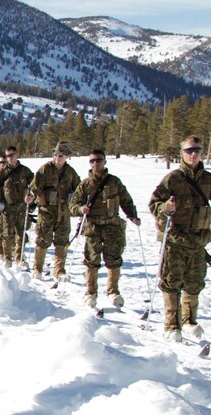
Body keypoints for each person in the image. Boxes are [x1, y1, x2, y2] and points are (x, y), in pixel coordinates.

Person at [148, 135, 211, 341]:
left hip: (198, 241)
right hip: (174, 240)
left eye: (197, 150)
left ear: (202, 153)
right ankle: (172, 325)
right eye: (189, 150)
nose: (193, 154)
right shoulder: (173, 179)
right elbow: (154, 203)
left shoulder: (208, 180)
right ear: (181, 153)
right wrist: (166, 208)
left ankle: (190, 321)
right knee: (171, 282)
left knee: (194, 283)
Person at [69, 149, 140, 308]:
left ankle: (113, 291)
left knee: (114, 260)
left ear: (104, 161)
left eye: (99, 160)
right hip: (93, 227)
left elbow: (126, 200)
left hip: (112, 226)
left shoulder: (114, 182)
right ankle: (91, 292)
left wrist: (132, 215)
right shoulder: (85, 185)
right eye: (92, 161)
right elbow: (72, 205)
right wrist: (81, 210)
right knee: (92, 260)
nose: (96, 163)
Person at [29, 140, 81, 280]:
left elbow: (79, 190)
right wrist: (31, 198)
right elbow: (34, 186)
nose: (58, 157)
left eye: (61, 155)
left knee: (62, 242)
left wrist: (80, 206)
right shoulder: (45, 169)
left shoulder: (70, 172)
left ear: (67, 157)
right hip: (47, 212)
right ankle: (37, 269)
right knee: (42, 240)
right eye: (56, 154)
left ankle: (59, 271)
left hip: (64, 212)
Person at [0, 146, 33, 267]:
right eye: (7, 156)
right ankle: (8, 258)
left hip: (21, 206)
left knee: (20, 233)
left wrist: (31, 197)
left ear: (17, 155)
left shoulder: (25, 171)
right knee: (7, 234)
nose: (9, 158)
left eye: (11, 155)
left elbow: (34, 186)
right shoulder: (2, 171)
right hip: (8, 208)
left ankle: (19, 258)